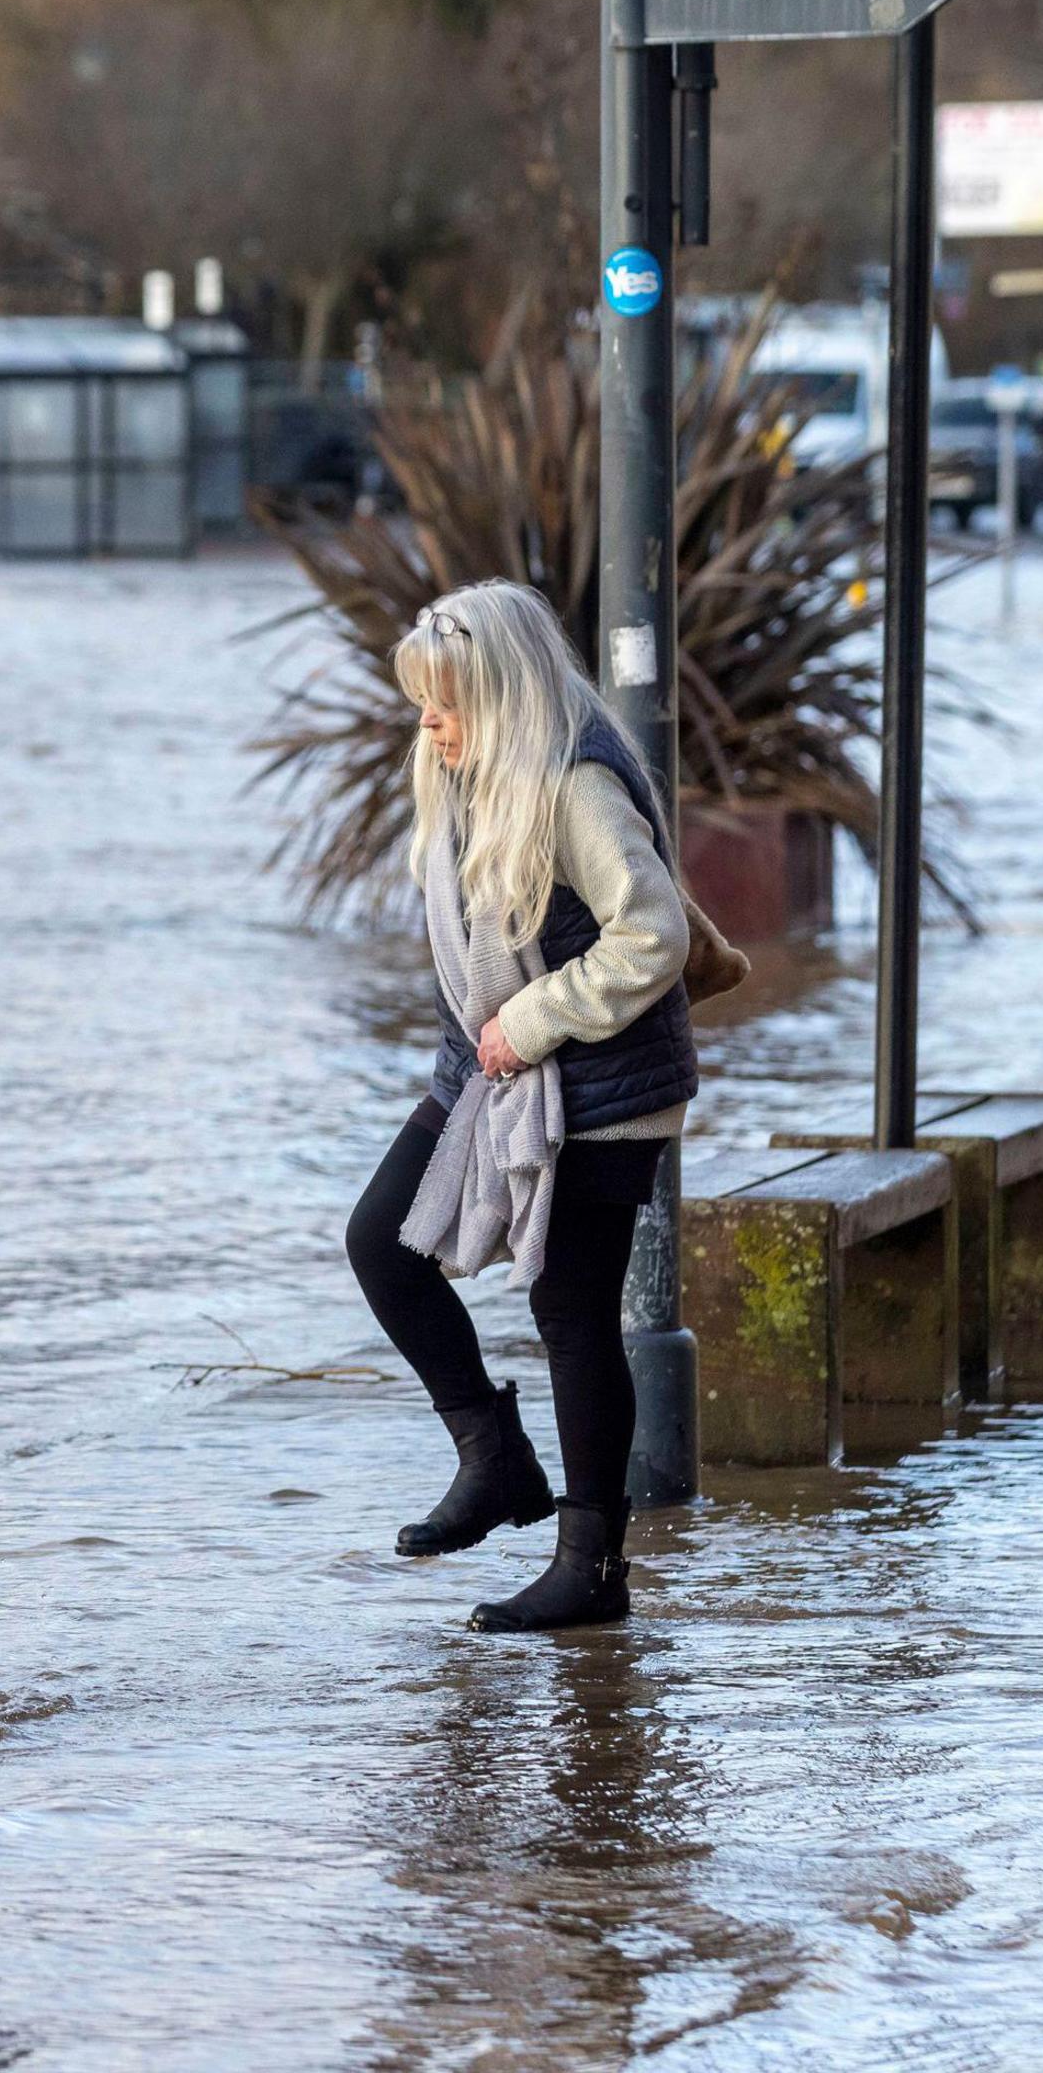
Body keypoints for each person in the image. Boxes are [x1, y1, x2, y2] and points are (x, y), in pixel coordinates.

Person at [344, 578, 698, 1633]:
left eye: (445, 702)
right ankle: (493, 1456)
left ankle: (592, 1568)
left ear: (500, 696)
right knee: (381, 1243)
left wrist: (535, 1021)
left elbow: (656, 937)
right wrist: (497, 1038)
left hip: (601, 1077)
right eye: (422, 700)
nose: (428, 722)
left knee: (572, 1313)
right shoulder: (467, 770)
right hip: (489, 1064)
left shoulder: (574, 782)